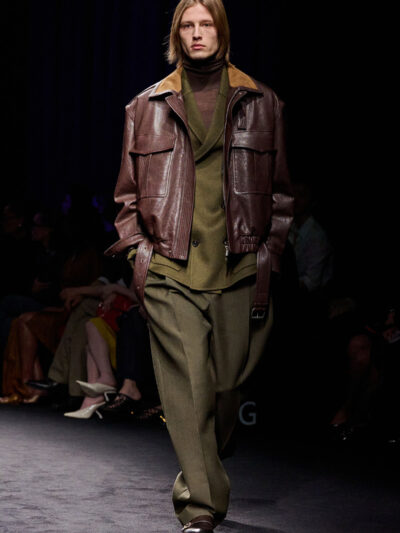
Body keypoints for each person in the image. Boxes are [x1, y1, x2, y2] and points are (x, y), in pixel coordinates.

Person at [107, 1, 293, 531]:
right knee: (188, 389)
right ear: (175, 35)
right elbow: (126, 197)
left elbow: (280, 194)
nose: (196, 34)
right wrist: (139, 254)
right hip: (169, 269)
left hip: (239, 267)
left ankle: (206, 458)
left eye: (205, 24)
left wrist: (270, 254)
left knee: (225, 388)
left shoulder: (262, 102)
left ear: (222, 31)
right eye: (186, 26)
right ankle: (200, 509)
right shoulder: (146, 106)